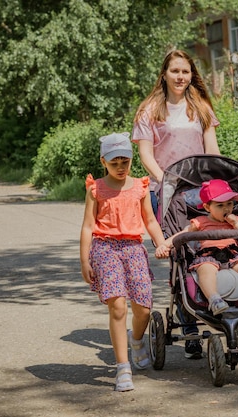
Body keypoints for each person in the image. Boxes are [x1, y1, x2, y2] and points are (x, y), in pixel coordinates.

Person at [132, 49, 220, 359]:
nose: (180, 76)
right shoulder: (150, 110)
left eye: (185, 71)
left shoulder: (201, 108)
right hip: (167, 192)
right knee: (180, 254)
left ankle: (212, 305)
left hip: (201, 194)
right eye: (174, 71)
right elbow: (145, 154)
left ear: (191, 74)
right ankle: (189, 326)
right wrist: (167, 181)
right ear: (164, 74)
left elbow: (212, 151)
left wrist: (220, 183)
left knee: (210, 248)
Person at [80, 132, 167, 392]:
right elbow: (87, 226)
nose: (120, 167)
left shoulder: (140, 187)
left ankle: (137, 340)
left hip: (133, 247)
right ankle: (122, 367)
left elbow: (150, 221)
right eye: (114, 162)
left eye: (125, 162)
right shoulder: (96, 189)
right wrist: (84, 260)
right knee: (117, 306)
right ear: (103, 162)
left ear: (131, 161)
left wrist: (161, 242)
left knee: (143, 307)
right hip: (104, 247)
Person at [156, 179, 238, 315]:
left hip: (234, 254)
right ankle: (214, 299)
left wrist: (236, 224)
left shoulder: (236, 221)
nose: (226, 209)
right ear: (207, 208)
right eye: (220, 205)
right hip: (209, 255)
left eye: (230, 204)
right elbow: (183, 234)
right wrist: (165, 245)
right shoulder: (200, 222)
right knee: (205, 271)